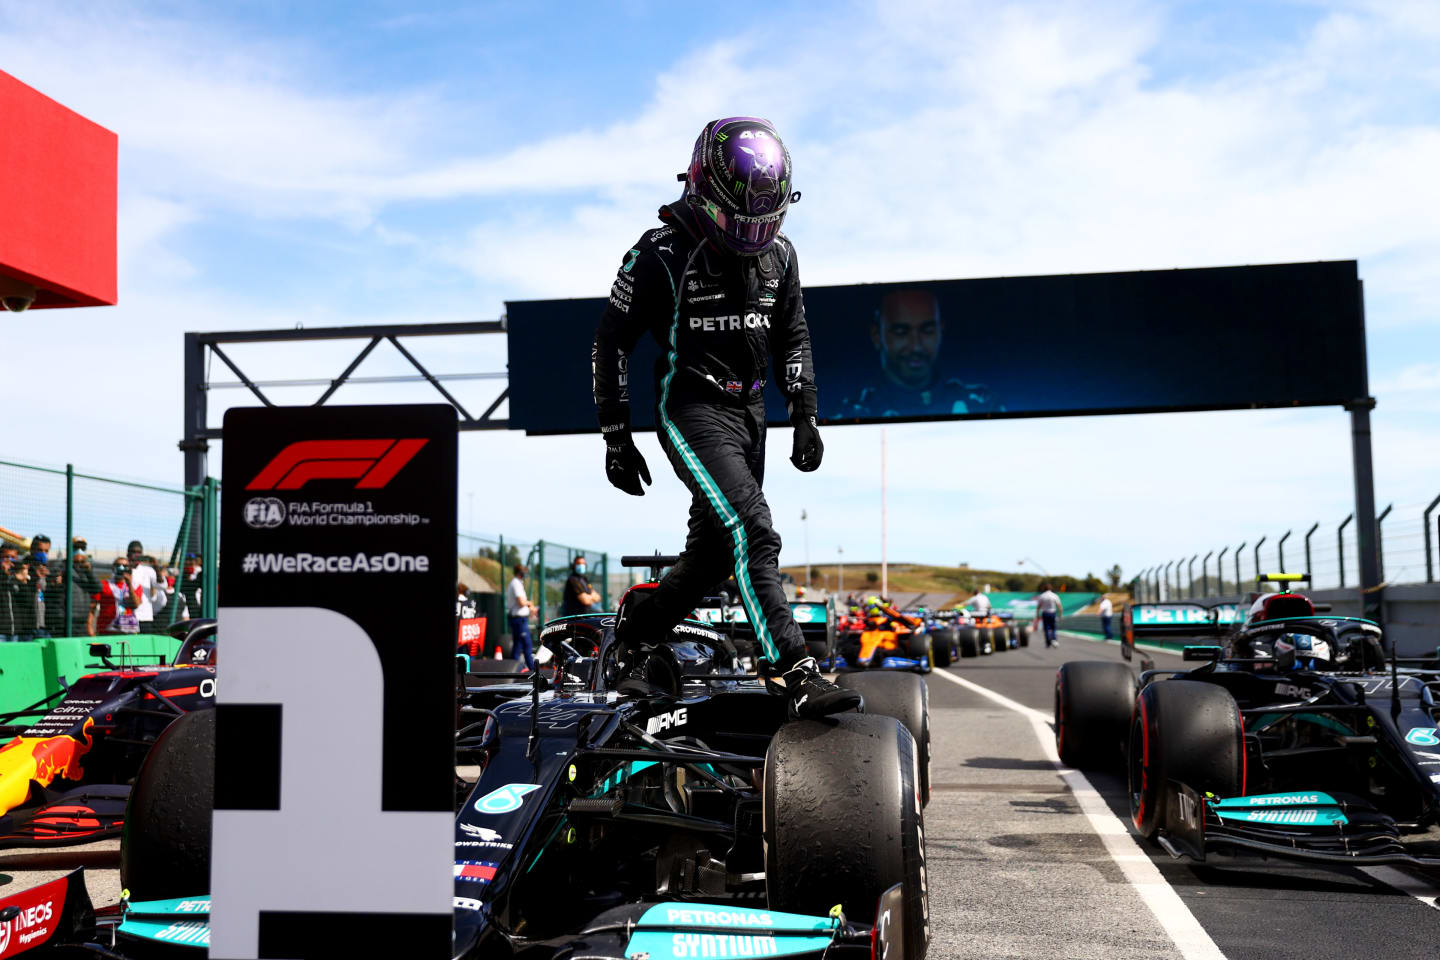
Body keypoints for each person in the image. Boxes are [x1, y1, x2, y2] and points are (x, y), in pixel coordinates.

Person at [591, 116, 860, 719]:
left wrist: (805, 413)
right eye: (741, 219)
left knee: (714, 557)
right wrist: (615, 433)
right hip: (690, 406)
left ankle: (638, 629)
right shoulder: (656, 254)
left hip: (751, 414)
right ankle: (792, 668)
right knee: (753, 531)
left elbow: (794, 335)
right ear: (702, 187)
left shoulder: (783, 256)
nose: (754, 232)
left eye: (765, 219)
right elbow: (609, 343)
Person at [833, 289, 1003, 418]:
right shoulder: (852, 412)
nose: (916, 346)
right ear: (877, 336)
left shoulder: (982, 403)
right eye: (901, 332)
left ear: (940, 331)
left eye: (927, 331)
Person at [124, 540, 160, 633]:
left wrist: (156, 566)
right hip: (126, 617)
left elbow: (161, 585)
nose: (136, 555)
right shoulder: (122, 570)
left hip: (145, 617)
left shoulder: (148, 570)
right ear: (128, 554)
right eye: (133, 552)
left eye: (139, 552)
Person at [506, 565, 537, 671]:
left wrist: (529, 607)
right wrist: (530, 604)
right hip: (519, 620)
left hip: (519, 619)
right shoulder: (516, 583)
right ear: (520, 572)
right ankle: (533, 669)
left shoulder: (517, 583)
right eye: (524, 572)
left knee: (517, 647)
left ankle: (513, 670)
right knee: (527, 645)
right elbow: (521, 602)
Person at [96, 562, 141, 635]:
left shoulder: (135, 585)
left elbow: (135, 605)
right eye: (118, 565)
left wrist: (129, 584)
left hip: (128, 628)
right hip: (107, 628)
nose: (121, 568)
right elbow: (93, 606)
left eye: (125, 566)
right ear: (113, 568)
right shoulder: (104, 584)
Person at [0, 547, 20, 641]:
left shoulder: (18, 576)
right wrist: (3, 573)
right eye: (6, 557)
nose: (9, 560)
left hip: (15, 631)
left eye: (12, 557)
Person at [1034, 582, 1062, 648]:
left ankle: (1048, 642)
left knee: (1046, 628)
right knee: (1053, 627)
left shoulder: (1042, 596)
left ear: (1044, 589)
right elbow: (1059, 606)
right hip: (1052, 613)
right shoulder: (1054, 595)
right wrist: (1060, 615)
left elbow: (1038, 607)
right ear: (1051, 588)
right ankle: (1054, 639)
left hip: (1045, 613)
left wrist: (1037, 615)